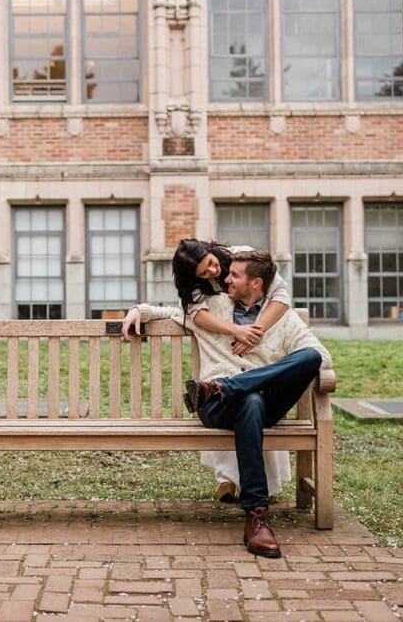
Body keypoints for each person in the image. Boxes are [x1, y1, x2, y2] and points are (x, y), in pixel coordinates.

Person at [123, 249, 331, 558]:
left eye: (234, 275)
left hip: (246, 399)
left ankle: (225, 387)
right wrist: (138, 310)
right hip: (218, 409)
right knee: (250, 402)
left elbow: (322, 357)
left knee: (307, 359)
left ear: (256, 283)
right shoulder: (211, 310)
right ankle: (257, 517)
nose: (224, 278)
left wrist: (252, 372)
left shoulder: (283, 320)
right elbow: (165, 311)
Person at [169, 239, 294, 504]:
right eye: (204, 273)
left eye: (212, 264)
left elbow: (281, 297)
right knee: (234, 389)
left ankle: (260, 488)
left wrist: (254, 332)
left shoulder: (241, 256)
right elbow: (195, 314)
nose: (213, 273)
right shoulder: (196, 288)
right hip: (224, 356)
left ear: (212, 252)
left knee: (249, 395)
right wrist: (236, 331)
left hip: (256, 342)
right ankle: (228, 480)